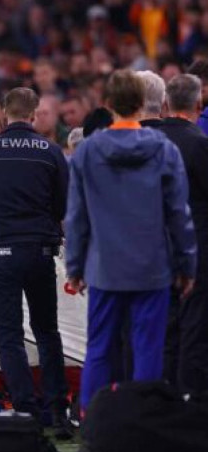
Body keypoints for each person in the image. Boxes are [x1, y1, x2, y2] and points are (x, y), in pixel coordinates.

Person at [65, 70, 197, 413]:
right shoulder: (163, 149)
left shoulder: (88, 151)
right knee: (148, 348)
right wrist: (187, 265)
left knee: (100, 347)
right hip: (152, 266)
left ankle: (92, 422)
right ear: (143, 103)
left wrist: (75, 266)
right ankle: (143, 422)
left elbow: (77, 216)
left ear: (109, 105)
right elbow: (178, 214)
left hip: (104, 266)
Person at [0, 88, 72, 440]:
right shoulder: (52, 152)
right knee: (47, 331)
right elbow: (63, 206)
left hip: (0, 251)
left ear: (3, 114)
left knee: (9, 336)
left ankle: (27, 415)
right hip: (40, 251)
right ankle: (58, 412)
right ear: (34, 115)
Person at [153, 74, 208, 394]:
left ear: (165, 103)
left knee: (162, 326)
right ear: (198, 103)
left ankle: (162, 395)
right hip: (197, 246)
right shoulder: (200, 144)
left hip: (152, 246)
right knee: (195, 326)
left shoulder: (148, 142)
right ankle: (190, 400)